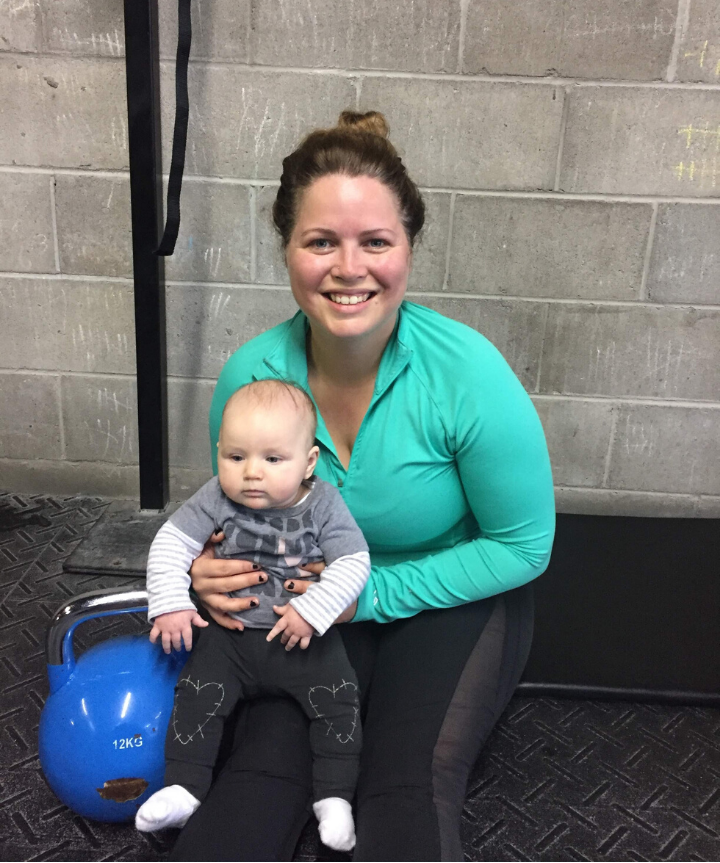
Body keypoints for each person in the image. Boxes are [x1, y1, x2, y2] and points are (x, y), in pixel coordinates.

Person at [170, 110, 556, 862]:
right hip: (304, 596)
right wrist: (202, 572)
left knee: (402, 782)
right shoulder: (253, 374)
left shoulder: (467, 374)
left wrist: (366, 596)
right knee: (261, 774)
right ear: (287, 249)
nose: (350, 268)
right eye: (322, 242)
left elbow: (524, 543)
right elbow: (233, 508)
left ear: (408, 247)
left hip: (448, 589)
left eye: (375, 242)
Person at [135, 379, 370, 852]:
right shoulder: (215, 498)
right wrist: (171, 602)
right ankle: (184, 787)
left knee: (339, 706)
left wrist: (314, 609)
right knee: (197, 698)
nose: (251, 474)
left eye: (273, 459)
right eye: (236, 457)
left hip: (300, 639)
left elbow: (354, 560)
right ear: (218, 453)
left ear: (308, 463)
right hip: (231, 637)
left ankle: (334, 798)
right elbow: (171, 543)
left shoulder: (323, 503)